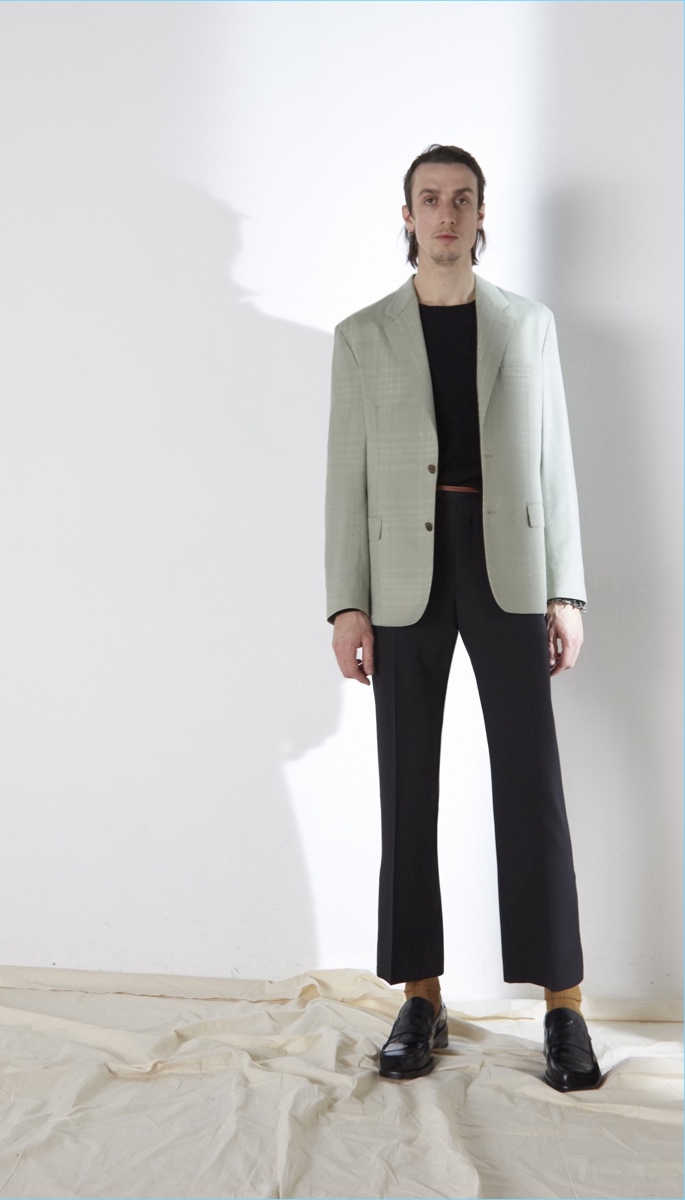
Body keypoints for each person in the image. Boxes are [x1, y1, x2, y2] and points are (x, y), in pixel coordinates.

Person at [324, 144, 602, 1092]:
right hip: (404, 572)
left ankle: (564, 1007)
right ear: (406, 215)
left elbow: (556, 460)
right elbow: (346, 477)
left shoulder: (527, 325)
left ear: (483, 214)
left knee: (532, 785)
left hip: (509, 566)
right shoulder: (362, 335)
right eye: (430, 199)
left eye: (462, 199)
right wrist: (348, 601)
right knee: (407, 788)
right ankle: (421, 996)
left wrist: (567, 590)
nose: (446, 213)